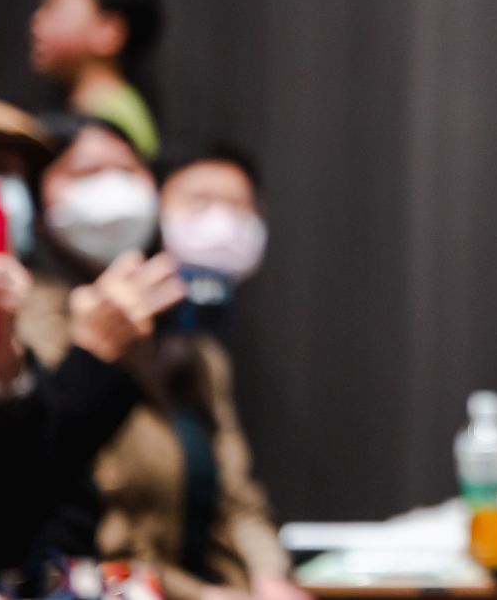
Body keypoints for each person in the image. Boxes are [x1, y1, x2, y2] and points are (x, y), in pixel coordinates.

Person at [15, 119, 301, 600]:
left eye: (128, 170)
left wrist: (268, 576)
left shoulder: (188, 341)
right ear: (39, 204)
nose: (113, 189)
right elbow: (39, 511)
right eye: (87, 172)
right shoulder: (26, 327)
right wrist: (198, 595)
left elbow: (237, 496)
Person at [0, 95, 185, 588]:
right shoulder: (43, 316)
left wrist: (5, 358)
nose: (0, 189)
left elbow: (1, 518)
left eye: (14, 175)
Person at [31, 0, 164, 160]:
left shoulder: (116, 120)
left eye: (54, 8)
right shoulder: (87, 108)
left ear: (109, 32)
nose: (36, 21)